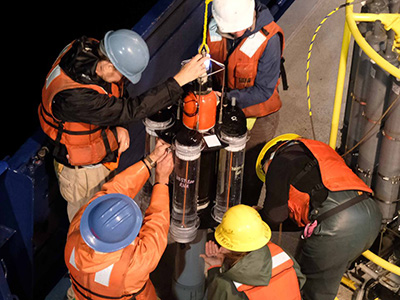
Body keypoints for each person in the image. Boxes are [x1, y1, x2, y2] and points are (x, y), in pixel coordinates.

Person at [39, 29, 208, 221]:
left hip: (101, 159)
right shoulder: (73, 98)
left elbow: (115, 95)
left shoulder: (89, 51)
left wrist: (120, 126)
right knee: (88, 226)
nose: (122, 80)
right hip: (83, 175)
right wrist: (179, 81)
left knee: (106, 215)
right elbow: (129, 110)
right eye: (122, 74)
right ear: (110, 65)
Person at [255, 133, 382, 300]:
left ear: (268, 160)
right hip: (372, 214)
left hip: (338, 226)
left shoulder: (279, 163)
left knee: (310, 290)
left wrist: (257, 214)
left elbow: (275, 216)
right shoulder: (319, 151)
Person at [64, 139, 173, 300]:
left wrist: (150, 160)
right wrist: (162, 180)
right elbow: (157, 226)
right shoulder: (131, 268)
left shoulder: (77, 229)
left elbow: (111, 192)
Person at [206, 0, 285, 206]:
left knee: (250, 172)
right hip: (223, 108)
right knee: (219, 164)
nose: (237, 34)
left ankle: (245, 211)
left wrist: (223, 99)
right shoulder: (216, 25)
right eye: (231, 31)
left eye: (239, 29)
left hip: (258, 115)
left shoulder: (269, 39)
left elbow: (264, 90)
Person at [200, 204, 305, 300]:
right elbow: (300, 280)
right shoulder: (282, 255)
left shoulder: (226, 285)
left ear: (226, 246)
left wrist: (215, 270)